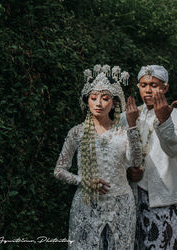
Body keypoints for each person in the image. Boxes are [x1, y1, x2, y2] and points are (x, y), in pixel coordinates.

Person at [54, 64, 142, 250]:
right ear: (87, 101)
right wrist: (83, 181)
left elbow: (135, 162)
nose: (99, 103)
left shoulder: (124, 133)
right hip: (87, 205)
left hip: (121, 205)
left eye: (105, 98)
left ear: (114, 102)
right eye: (93, 98)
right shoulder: (77, 133)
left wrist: (133, 127)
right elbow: (59, 170)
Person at [125, 65, 177, 250]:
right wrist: (128, 171)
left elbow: (173, 149)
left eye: (154, 85)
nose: (148, 89)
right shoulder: (128, 115)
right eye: (143, 84)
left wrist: (164, 121)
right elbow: (118, 154)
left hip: (164, 198)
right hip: (131, 197)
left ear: (165, 88)